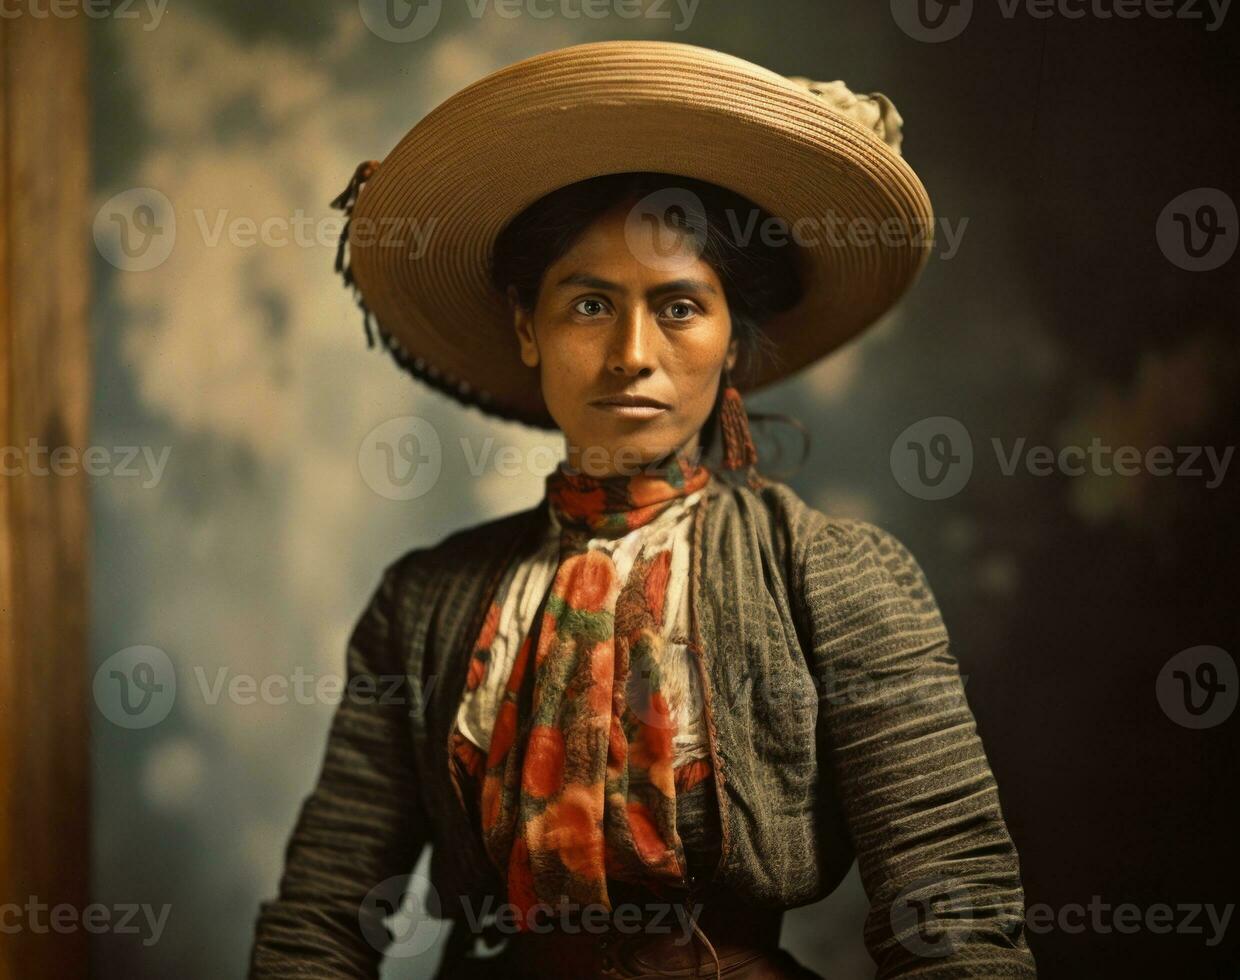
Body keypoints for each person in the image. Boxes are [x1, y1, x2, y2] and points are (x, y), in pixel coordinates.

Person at [249, 40, 1036, 979]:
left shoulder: (830, 575)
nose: (630, 352)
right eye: (587, 305)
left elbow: (948, 910)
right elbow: (323, 916)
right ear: (524, 328)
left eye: (677, 306)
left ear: (733, 340)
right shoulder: (424, 606)